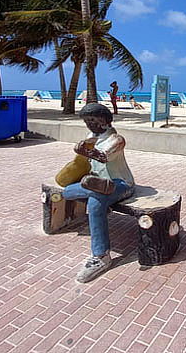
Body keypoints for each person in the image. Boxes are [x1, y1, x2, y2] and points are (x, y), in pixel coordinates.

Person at [62, 103, 135, 283]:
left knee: (95, 202)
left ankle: (101, 256)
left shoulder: (117, 139)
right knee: (67, 192)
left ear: (105, 121)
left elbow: (103, 156)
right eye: (87, 121)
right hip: (96, 182)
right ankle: (97, 187)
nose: (90, 124)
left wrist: (86, 151)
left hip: (121, 183)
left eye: (93, 120)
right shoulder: (91, 137)